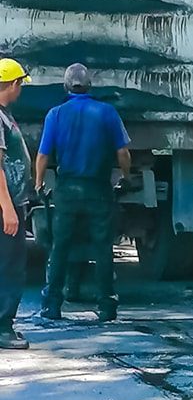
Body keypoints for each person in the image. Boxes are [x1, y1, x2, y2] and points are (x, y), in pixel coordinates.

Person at [36, 63, 131, 323]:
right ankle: (107, 306)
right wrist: (125, 176)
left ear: (66, 87)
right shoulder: (107, 113)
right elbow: (122, 153)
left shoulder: (56, 114)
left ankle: (52, 304)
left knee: (60, 247)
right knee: (102, 247)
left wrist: (38, 183)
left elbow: (43, 155)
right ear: (89, 86)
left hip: (67, 189)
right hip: (99, 188)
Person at [0, 58, 32, 351]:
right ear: (12, 84)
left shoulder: (3, 114)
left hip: (10, 201)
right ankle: (3, 327)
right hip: (4, 206)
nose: (21, 89)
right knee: (9, 266)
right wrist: (7, 208)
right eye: (20, 83)